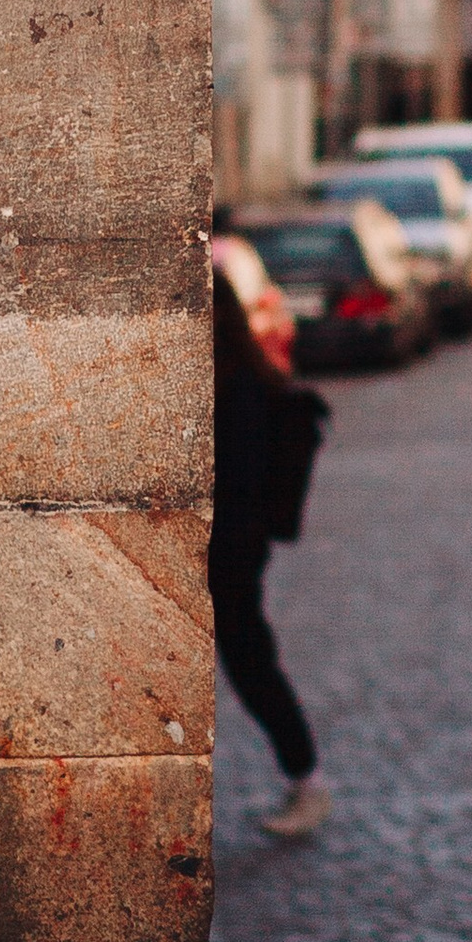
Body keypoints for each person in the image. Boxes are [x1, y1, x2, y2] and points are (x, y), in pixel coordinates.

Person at [211, 262, 332, 840]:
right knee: (250, 661)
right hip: (235, 549)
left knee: (251, 662)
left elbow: (239, 482)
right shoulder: (242, 376)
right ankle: (304, 779)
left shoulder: (237, 387)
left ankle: (306, 780)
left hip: (228, 551)